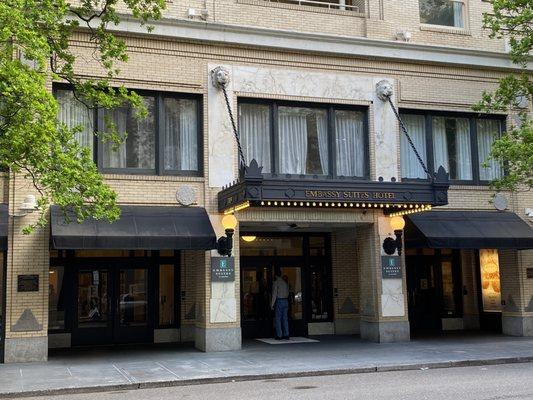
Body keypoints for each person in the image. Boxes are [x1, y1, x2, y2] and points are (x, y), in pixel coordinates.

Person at [271, 267, 290, 340]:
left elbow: (274, 294)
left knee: (278, 318)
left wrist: (272, 304)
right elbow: (288, 292)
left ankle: (279, 335)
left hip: (279, 301)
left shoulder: (276, 283)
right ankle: (286, 334)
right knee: (285, 318)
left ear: (275, 275)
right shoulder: (285, 283)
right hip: (286, 301)